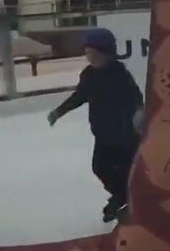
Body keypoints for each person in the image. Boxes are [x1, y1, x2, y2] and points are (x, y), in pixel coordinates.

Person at [47, 28, 144, 223]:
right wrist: (60, 111)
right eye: (87, 52)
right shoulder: (89, 75)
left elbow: (135, 96)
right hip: (103, 134)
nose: (89, 56)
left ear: (106, 53)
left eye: (93, 52)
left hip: (125, 136)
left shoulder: (119, 74)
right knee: (100, 168)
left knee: (127, 171)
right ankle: (121, 197)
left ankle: (126, 201)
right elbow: (79, 96)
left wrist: (139, 114)